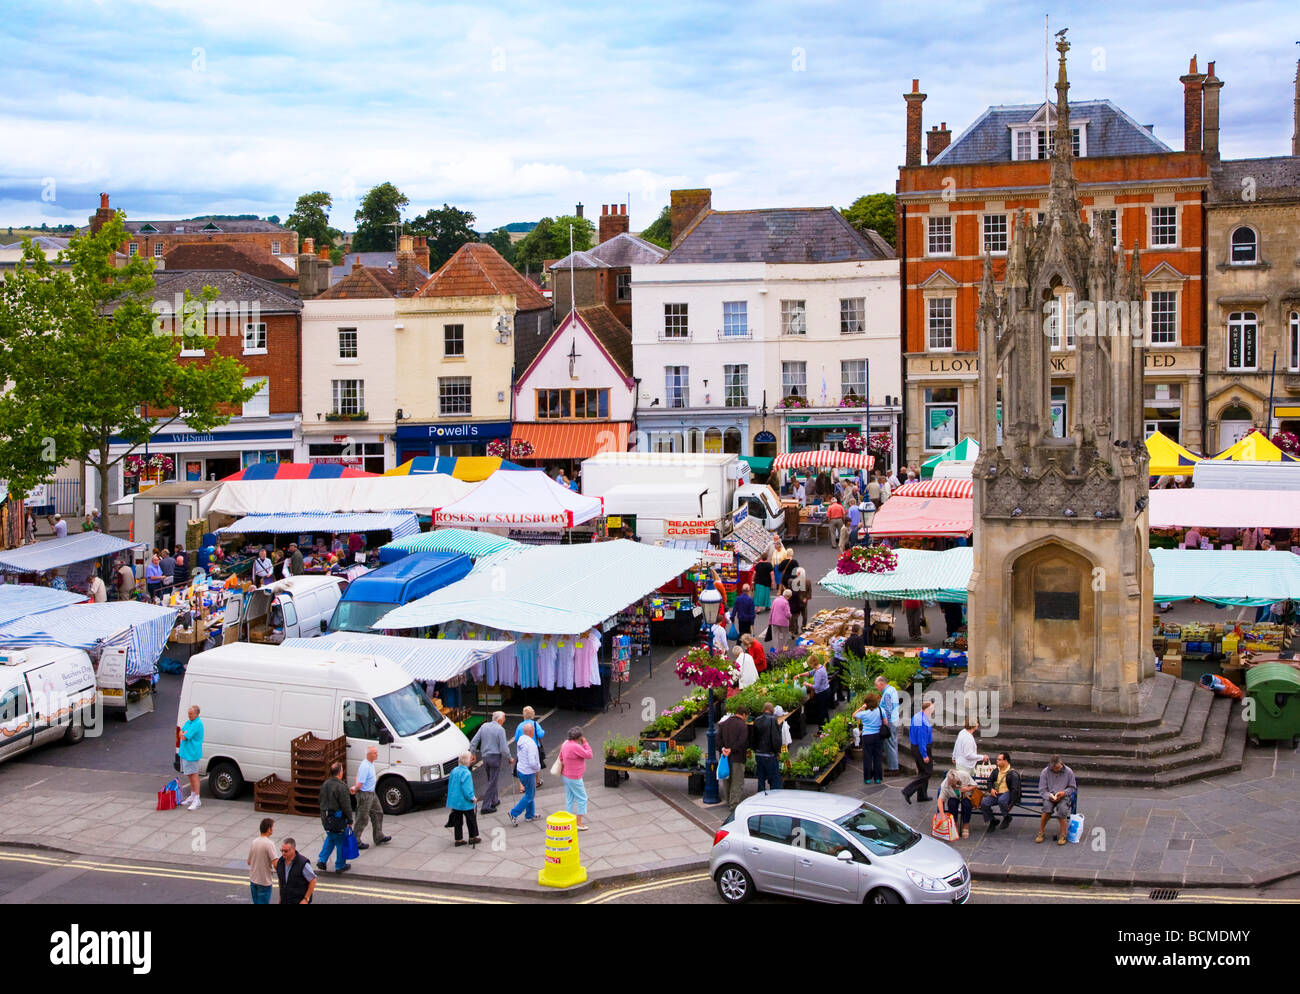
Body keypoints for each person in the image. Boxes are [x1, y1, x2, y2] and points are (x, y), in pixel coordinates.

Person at [350, 745, 390, 848]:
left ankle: (378, 836)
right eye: (374, 753)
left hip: (372, 793)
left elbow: (357, 776)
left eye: (376, 752)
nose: (377, 754)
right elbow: (360, 782)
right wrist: (355, 788)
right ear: (369, 755)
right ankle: (356, 840)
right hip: (365, 794)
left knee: (378, 812)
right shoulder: (365, 766)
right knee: (362, 818)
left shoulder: (370, 763)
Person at [469, 710, 509, 813]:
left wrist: (473, 753)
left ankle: (494, 800)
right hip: (495, 757)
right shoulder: (500, 730)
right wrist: (509, 757)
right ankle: (485, 806)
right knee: (492, 782)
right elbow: (504, 748)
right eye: (504, 718)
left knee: (491, 779)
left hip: (485, 757)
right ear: (500, 720)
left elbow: (474, 741)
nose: (505, 720)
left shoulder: (484, 726)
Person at [316, 761, 353, 874]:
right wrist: (350, 820)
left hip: (325, 817)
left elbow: (320, 800)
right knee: (341, 841)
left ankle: (322, 860)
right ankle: (340, 865)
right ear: (340, 772)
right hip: (337, 818)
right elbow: (346, 806)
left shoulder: (325, 784)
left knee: (331, 837)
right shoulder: (341, 786)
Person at [1036, 755, 1077, 846]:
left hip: (1063, 796)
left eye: (1057, 768)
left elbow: (1072, 787)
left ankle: (1063, 834)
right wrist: (1048, 796)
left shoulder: (1069, 772)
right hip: (1050, 795)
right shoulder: (1045, 772)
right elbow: (1042, 789)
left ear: (1061, 764)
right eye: (1053, 768)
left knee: (1062, 808)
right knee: (1047, 808)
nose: (1055, 770)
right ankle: (1041, 831)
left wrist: (1064, 792)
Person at [559, 727, 594, 830]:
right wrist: (585, 743)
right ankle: (578, 823)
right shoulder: (575, 747)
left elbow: (561, 758)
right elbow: (589, 755)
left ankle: (568, 821)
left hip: (566, 775)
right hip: (575, 777)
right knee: (582, 798)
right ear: (579, 737)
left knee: (569, 798)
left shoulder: (565, 744)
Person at [717, 704, 750, 812]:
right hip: (737, 757)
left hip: (724, 758)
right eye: (747, 716)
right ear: (744, 715)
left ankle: (728, 801)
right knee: (737, 782)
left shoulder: (724, 723)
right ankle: (734, 805)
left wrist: (723, 749)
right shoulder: (742, 726)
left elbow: (718, 739)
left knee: (727, 781)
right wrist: (732, 749)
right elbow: (743, 742)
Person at [902, 699, 935, 804]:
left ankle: (922, 795)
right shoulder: (921, 721)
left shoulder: (918, 716)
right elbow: (921, 740)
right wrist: (924, 755)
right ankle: (907, 791)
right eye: (932, 709)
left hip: (916, 747)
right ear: (927, 709)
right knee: (927, 772)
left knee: (922, 771)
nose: (933, 712)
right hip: (921, 748)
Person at [508, 722, 541, 825]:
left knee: (529, 793)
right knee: (530, 795)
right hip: (528, 772)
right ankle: (513, 813)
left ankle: (529, 814)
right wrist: (537, 767)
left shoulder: (521, 740)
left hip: (520, 769)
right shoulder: (531, 744)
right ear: (532, 732)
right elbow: (532, 762)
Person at [979, 752, 1020, 831]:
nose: (997, 761)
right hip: (997, 793)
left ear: (1006, 761)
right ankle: (992, 820)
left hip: (1007, 793)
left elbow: (1015, 790)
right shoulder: (996, 771)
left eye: (999, 759)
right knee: (984, 803)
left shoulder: (1013, 774)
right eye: (997, 759)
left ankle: (1006, 817)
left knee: (1002, 800)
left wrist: (1011, 804)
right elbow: (989, 781)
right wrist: (991, 789)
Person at [446, 751, 480, 846]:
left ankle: (458, 839)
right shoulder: (467, 773)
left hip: (455, 802)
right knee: (471, 820)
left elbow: (451, 785)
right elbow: (467, 789)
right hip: (465, 802)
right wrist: (472, 798)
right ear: (467, 761)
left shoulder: (454, 770)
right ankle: (472, 837)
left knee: (458, 821)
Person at [751, 703, 783, 793]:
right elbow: (776, 738)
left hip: (759, 753)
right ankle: (773, 800)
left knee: (761, 779)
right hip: (769, 754)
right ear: (772, 710)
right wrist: (777, 751)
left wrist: (755, 750)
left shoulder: (757, 720)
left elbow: (753, 738)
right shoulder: (773, 720)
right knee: (774, 780)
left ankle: (761, 797)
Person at [512, 706, 547, 789]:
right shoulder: (535, 724)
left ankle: (522, 786)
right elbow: (540, 734)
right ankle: (537, 781)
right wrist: (543, 731)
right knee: (535, 763)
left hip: (522, 748)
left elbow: (516, 738)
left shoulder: (520, 725)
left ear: (524, 715)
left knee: (522, 765)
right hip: (534, 747)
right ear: (532, 715)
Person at [938, 768, 978, 839]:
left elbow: (974, 785)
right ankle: (954, 824)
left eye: (955, 784)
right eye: (952, 785)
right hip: (953, 797)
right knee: (951, 803)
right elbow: (940, 800)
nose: (954, 786)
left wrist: (967, 789)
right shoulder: (945, 785)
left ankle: (966, 826)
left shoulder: (964, 775)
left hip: (966, 795)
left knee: (967, 804)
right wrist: (942, 815)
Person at [275, 838, 317, 905]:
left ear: (293, 849)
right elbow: (281, 881)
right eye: (282, 851)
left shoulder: (302, 863)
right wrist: (280, 898)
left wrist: (306, 899)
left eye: (286, 851)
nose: (283, 853)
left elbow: (313, 880)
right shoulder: (280, 862)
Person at [246, 817, 278, 904]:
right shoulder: (269, 844)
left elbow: (249, 862)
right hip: (264, 881)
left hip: (253, 880)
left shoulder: (254, 841)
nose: (273, 830)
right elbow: (275, 863)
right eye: (272, 827)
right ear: (269, 829)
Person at [855, 692, 884, 784]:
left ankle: (867, 778)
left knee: (867, 758)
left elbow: (854, 715)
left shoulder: (864, 713)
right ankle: (877, 778)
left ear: (866, 703)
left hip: (867, 736)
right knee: (877, 757)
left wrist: (861, 708)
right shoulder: (880, 710)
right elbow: (886, 722)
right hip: (878, 736)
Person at [178, 705, 204, 809]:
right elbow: (181, 731)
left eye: (191, 713)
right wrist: (182, 733)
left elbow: (184, 737)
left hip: (192, 753)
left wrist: (182, 734)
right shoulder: (189, 722)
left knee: (194, 775)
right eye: (188, 713)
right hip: (186, 753)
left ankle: (197, 799)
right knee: (190, 775)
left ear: (197, 714)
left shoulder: (197, 724)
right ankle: (192, 796)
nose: (189, 715)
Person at [875, 675, 900, 773]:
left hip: (890, 721)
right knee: (893, 743)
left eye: (877, 686)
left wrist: (885, 722)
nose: (877, 688)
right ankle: (894, 765)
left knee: (889, 744)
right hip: (895, 719)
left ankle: (893, 768)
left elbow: (888, 710)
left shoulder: (887, 694)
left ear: (882, 684)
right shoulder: (892, 689)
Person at [807, 655, 832, 727]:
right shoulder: (820, 667)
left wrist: (807, 684)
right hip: (826, 691)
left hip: (822, 694)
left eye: (810, 663)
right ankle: (827, 727)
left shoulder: (818, 672)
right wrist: (799, 675)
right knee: (825, 711)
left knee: (821, 712)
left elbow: (816, 687)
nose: (809, 665)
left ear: (813, 663)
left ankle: (821, 731)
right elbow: (810, 673)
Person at [789, 567, 810, 632]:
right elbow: (809, 591)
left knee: (795, 617)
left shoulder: (793, 581)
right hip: (804, 602)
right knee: (805, 616)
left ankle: (795, 629)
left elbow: (791, 592)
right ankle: (803, 627)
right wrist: (806, 598)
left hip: (796, 602)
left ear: (798, 574)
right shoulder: (808, 581)